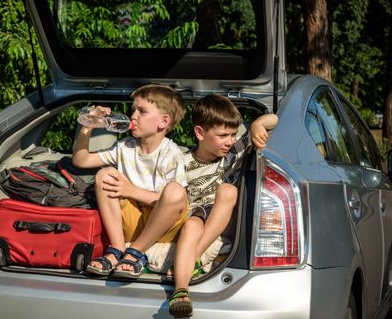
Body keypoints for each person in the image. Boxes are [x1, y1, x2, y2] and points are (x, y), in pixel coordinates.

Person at [168, 94, 278, 318]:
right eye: (222, 135)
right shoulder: (181, 159)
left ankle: (194, 257)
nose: (229, 141)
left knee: (228, 190)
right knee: (190, 226)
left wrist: (257, 124)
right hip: (195, 217)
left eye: (232, 135)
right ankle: (181, 290)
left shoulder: (233, 154)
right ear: (200, 133)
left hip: (225, 220)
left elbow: (275, 119)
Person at [72, 84, 189, 279]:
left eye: (142, 111)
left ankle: (136, 252)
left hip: (163, 226)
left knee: (176, 192)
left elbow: (175, 201)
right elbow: (81, 160)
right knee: (105, 175)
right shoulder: (123, 147)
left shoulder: (172, 154)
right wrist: (88, 125)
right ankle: (117, 249)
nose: (133, 116)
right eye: (133, 109)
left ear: (163, 121)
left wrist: (131, 190)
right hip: (133, 222)